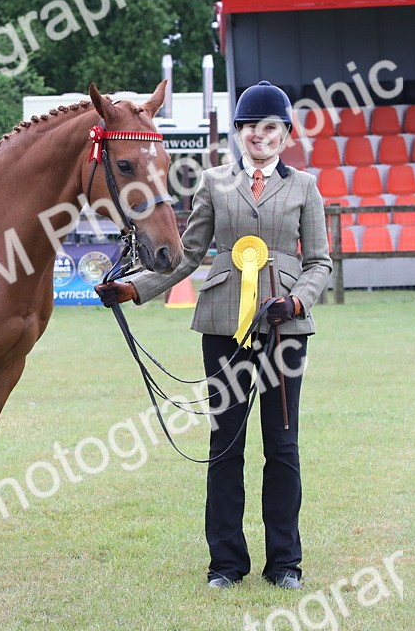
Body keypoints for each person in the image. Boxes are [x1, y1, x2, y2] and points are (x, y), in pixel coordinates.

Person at [96, 81, 332, 590]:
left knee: (282, 445)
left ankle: (285, 562)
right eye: (250, 127)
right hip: (222, 324)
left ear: (286, 134)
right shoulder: (214, 183)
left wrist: (296, 301)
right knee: (226, 443)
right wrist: (134, 289)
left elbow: (319, 262)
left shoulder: (305, 187)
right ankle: (225, 563)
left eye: (271, 128)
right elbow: (186, 255)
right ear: (239, 133)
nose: (260, 136)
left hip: (283, 325)